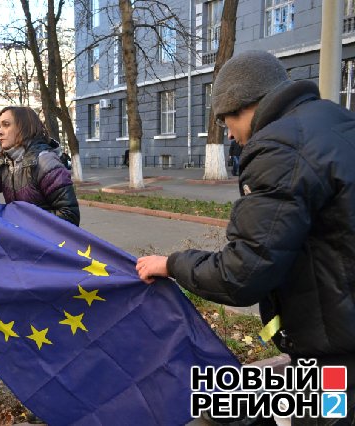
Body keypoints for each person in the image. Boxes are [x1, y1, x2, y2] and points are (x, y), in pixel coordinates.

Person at [136, 50, 355, 423]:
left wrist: (171, 264)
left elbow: (243, 273)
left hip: (335, 353)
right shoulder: (337, 121)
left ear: (239, 105)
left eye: (226, 124)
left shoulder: (280, 147)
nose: (234, 139)